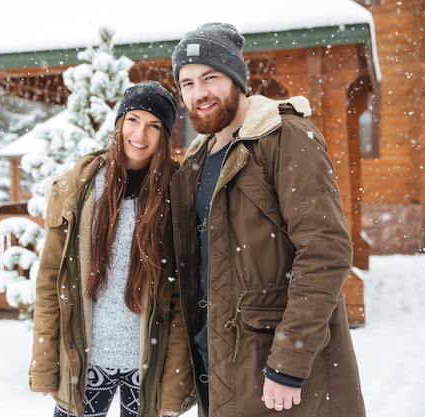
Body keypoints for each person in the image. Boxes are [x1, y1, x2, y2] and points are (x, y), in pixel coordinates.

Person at [169, 22, 366, 417]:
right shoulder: (193, 163)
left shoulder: (284, 137)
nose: (199, 92)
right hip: (220, 369)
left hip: (280, 372)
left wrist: (288, 362)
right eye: (187, 83)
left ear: (237, 79)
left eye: (211, 77)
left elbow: (324, 250)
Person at [29, 81, 196, 417]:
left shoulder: (178, 193)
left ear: (165, 134)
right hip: (86, 360)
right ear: (119, 123)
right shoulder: (80, 187)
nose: (141, 134)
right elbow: (51, 283)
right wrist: (46, 363)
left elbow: (182, 302)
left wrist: (172, 388)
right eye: (133, 119)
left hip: (147, 365)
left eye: (154, 125)